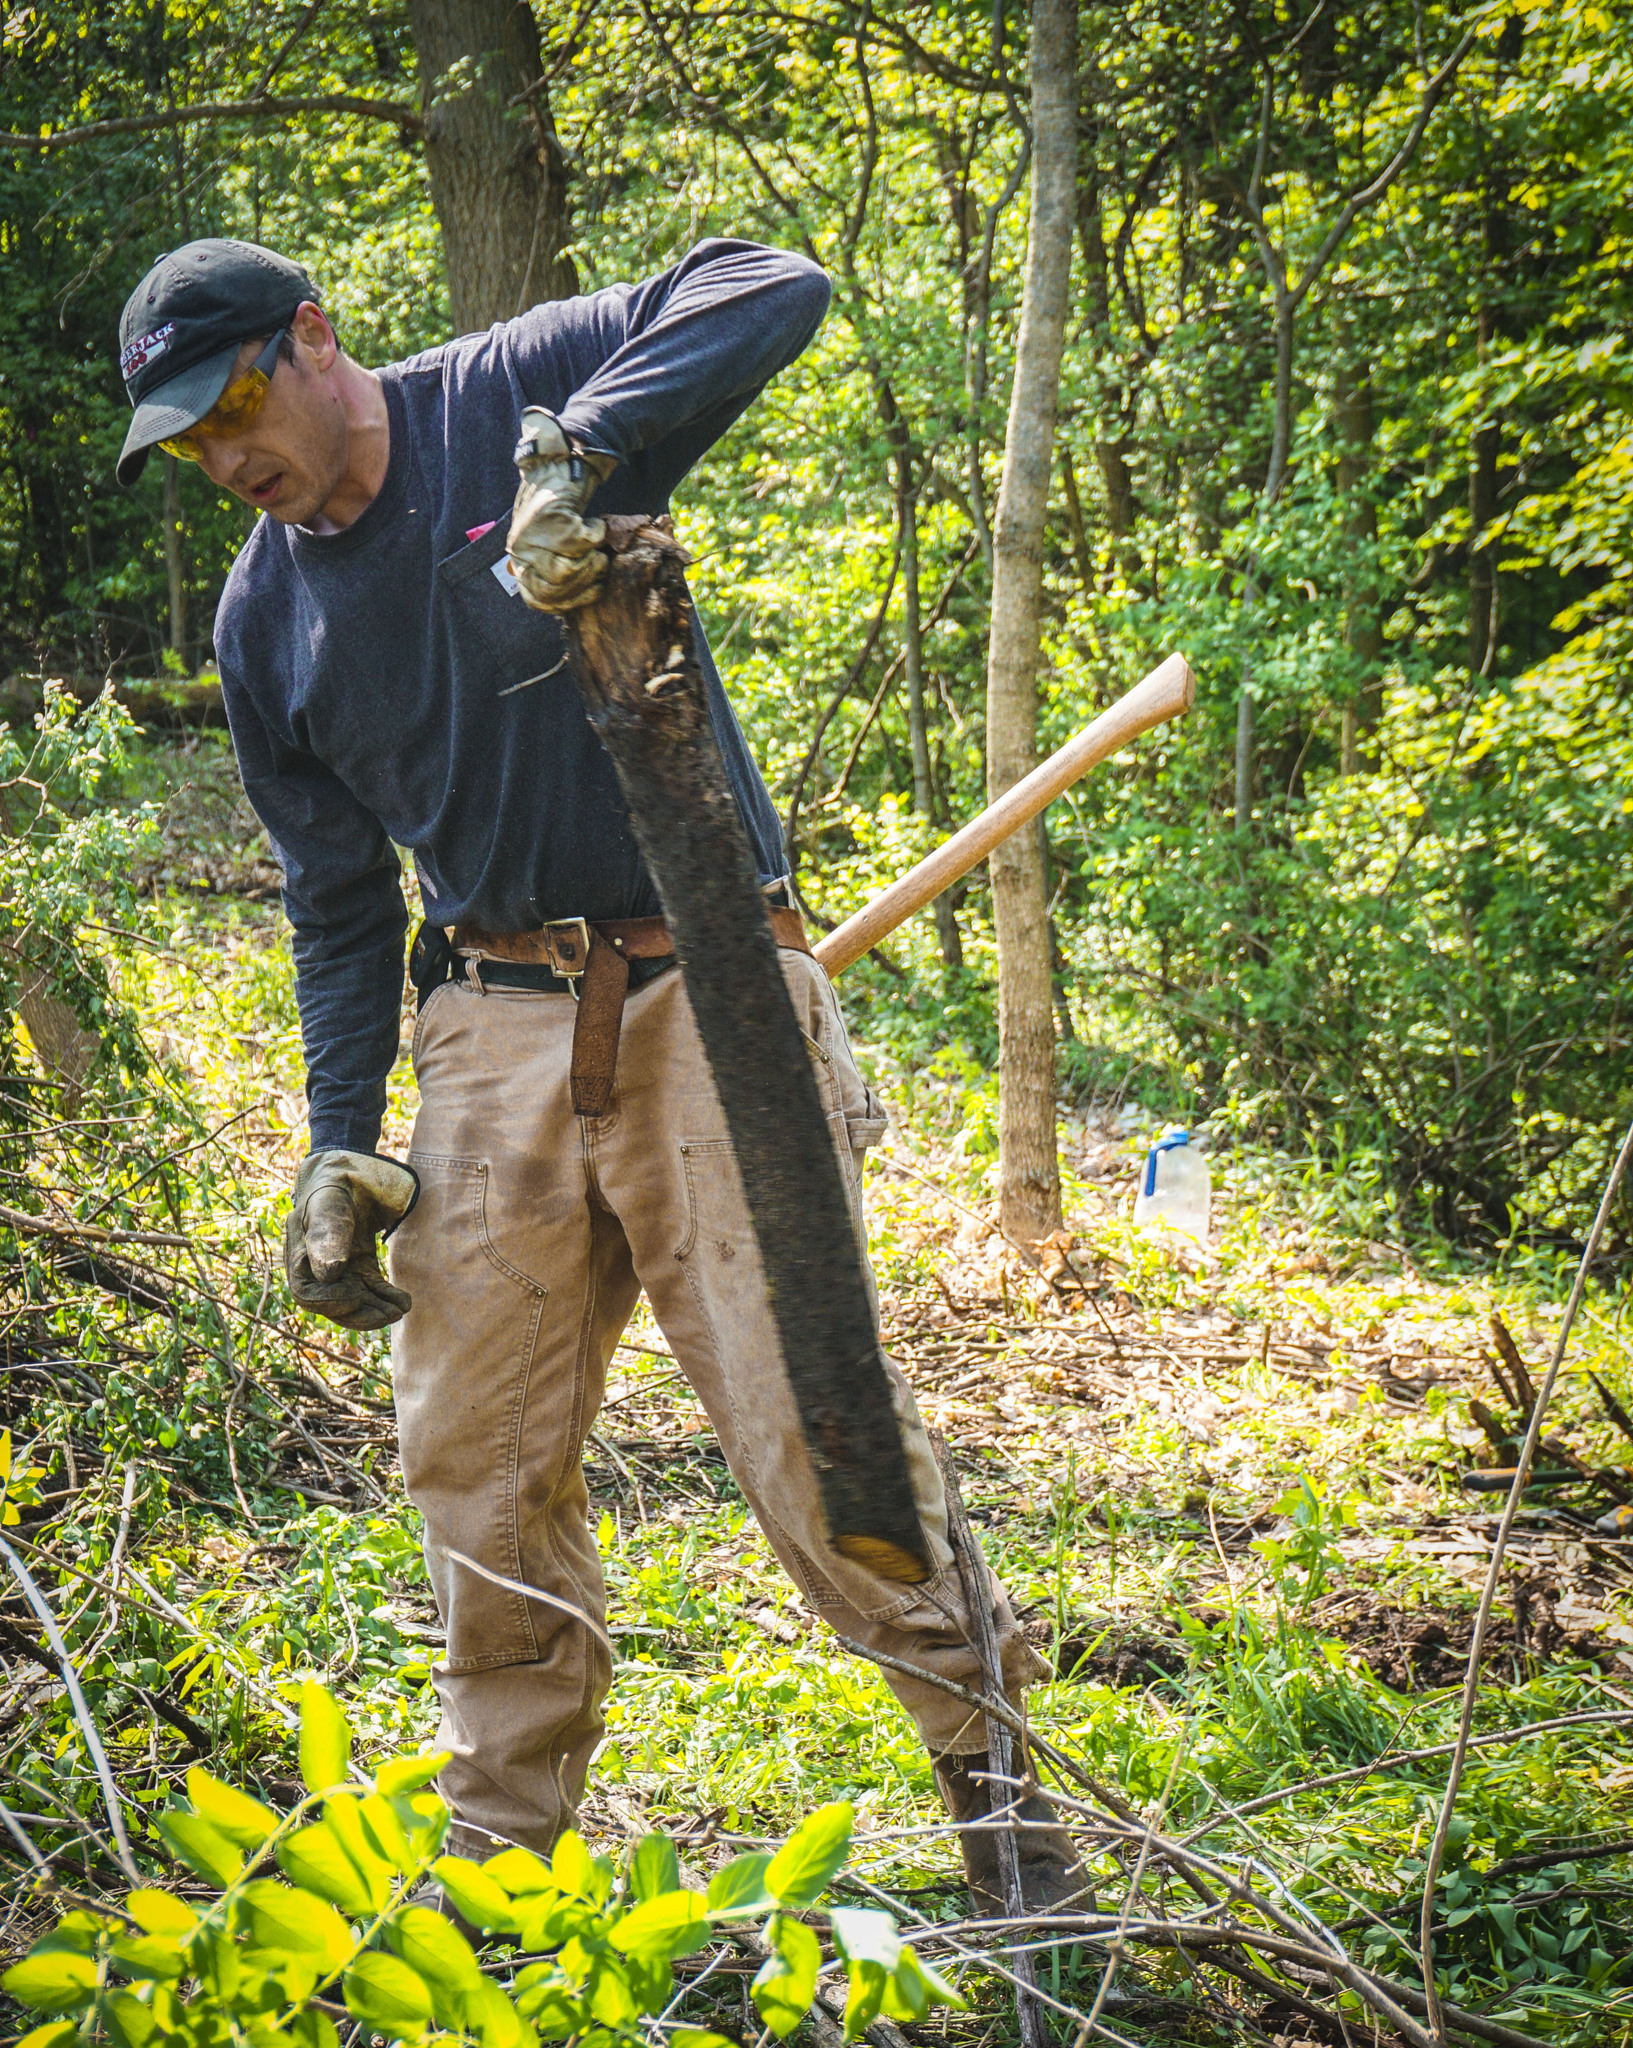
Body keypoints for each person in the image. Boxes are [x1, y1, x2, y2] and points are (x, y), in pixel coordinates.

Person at [116, 236, 1083, 1914]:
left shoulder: (498, 393)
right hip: (486, 1022)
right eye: (190, 440)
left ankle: (1007, 1819)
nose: (225, 456)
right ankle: (503, 1867)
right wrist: (337, 1140)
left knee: (815, 1436)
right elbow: (335, 906)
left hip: (708, 981)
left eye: (237, 406)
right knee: (470, 1457)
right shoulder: (263, 617)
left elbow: (771, 280)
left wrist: (577, 456)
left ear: (315, 337)